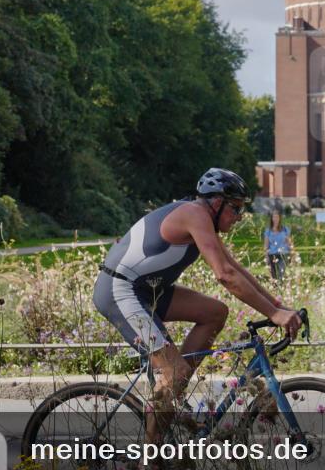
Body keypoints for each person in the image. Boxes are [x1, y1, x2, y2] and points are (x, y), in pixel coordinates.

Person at [93, 168, 302, 441]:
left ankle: (175, 393)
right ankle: (151, 461)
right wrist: (274, 314)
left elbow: (235, 268)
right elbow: (224, 275)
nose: (239, 217)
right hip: (120, 291)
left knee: (215, 313)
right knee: (175, 370)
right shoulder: (195, 214)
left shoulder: (204, 219)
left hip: (148, 290)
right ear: (217, 203)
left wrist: (278, 306)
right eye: (236, 208)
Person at [264, 210, 295, 281]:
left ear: (280, 218)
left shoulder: (285, 229)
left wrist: (293, 254)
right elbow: (266, 245)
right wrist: (266, 257)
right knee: (274, 277)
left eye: (277, 217)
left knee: (281, 274)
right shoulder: (268, 231)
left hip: (283, 255)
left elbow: (290, 243)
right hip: (272, 255)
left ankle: (281, 289)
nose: (275, 219)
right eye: (274, 217)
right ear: (271, 219)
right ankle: (275, 291)